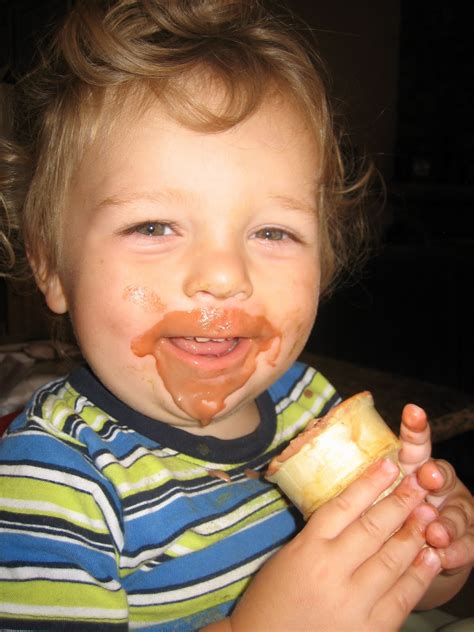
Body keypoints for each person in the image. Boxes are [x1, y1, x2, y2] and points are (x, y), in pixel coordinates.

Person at [0, 1, 472, 630]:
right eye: (153, 225)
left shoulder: (311, 405)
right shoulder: (48, 490)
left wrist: (431, 548)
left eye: (274, 232)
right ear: (53, 268)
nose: (226, 277)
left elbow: (409, 593)